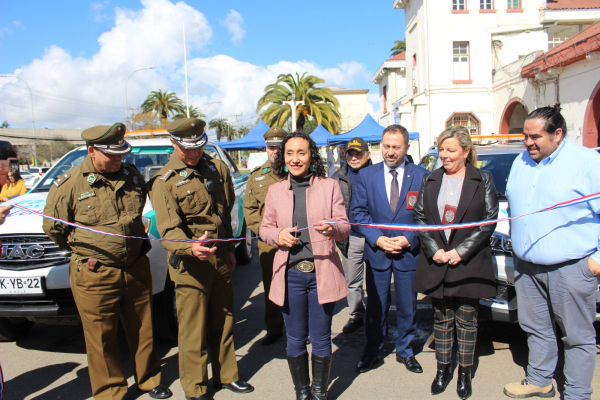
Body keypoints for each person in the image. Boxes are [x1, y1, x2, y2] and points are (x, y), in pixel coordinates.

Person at [42, 123, 171, 400]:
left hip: (135, 266)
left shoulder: (132, 176)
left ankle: (149, 379)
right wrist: (88, 251)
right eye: (111, 155)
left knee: (142, 328)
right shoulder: (69, 184)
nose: (118, 160)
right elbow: (54, 228)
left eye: (121, 154)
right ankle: (110, 391)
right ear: (91, 151)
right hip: (95, 272)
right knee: (101, 338)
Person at [148, 118, 253, 400]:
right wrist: (190, 247)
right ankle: (195, 388)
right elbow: (168, 230)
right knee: (192, 331)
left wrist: (230, 250)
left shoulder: (216, 168)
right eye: (187, 149)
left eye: (198, 147)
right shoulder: (164, 181)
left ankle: (227, 376)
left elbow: (225, 213)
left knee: (224, 319)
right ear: (174, 143)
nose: (194, 153)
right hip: (190, 264)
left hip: (219, 256)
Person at [503, 107, 600, 400]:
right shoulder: (522, 160)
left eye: (535, 137)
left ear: (557, 134)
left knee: (577, 336)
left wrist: (597, 260)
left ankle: (577, 394)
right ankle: (540, 379)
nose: (528, 142)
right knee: (535, 327)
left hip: (571, 267)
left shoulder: (588, 162)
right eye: (525, 136)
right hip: (527, 266)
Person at [260, 131, 350, 400]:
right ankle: (302, 392)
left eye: (301, 152)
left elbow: (345, 226)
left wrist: (333, 228)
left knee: (321, 337)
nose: (295, 159)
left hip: (322, 272)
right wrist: (278, 236)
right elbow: (265, 229)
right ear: (283, 157)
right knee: (296, 337)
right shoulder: (275, 191)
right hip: (290, 276)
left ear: (312, 156)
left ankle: (319, 393)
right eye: (290, 153)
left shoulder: (329, 186)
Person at [413, 126, 498, 399]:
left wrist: (460, 251)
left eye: (451, 150)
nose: (444, 156)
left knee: (467, 321)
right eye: (441, 149)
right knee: (442, 319)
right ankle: (443, 369)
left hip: (468, 262)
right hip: (437, 261)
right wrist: (433, 249)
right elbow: (421, 218)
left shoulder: (482, 179)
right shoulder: (430, 179)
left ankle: (464, 373)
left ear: (466, 152)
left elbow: (487, 222)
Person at [351, 124, 428, 374]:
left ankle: (405, 350)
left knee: (408, 305)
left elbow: (425, 216)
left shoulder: (422, 176)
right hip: (378, 252)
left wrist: (409, 239)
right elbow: (359, 214)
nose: (390, 152)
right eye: (386, 146)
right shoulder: (366, 176)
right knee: (376, 305)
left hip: (408, 252)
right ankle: (373, 350)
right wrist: (378, 239)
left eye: (396, 147)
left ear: (407, 147)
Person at [243, 126, 287, 345]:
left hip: (297, 241)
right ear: (266, 148)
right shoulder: (257, 177)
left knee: (300, 284)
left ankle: (301, 328)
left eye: (280, 147)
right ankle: (274, 327)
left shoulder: (298, 170)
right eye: (271, 148)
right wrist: (267, 233)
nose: (276, 152)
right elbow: (249, 210)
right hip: (269, 243)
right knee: (271, 286)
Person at [331, 137, 372, 334]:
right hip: (351, 237)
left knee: (376, 280)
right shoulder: (337, 178)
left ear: (367, 154)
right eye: (351, 154)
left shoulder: (378, 174)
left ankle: (377, 315)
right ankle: (356, 315)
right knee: (353, 281)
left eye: (358, 153)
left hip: (375, 236)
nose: (354, 157)